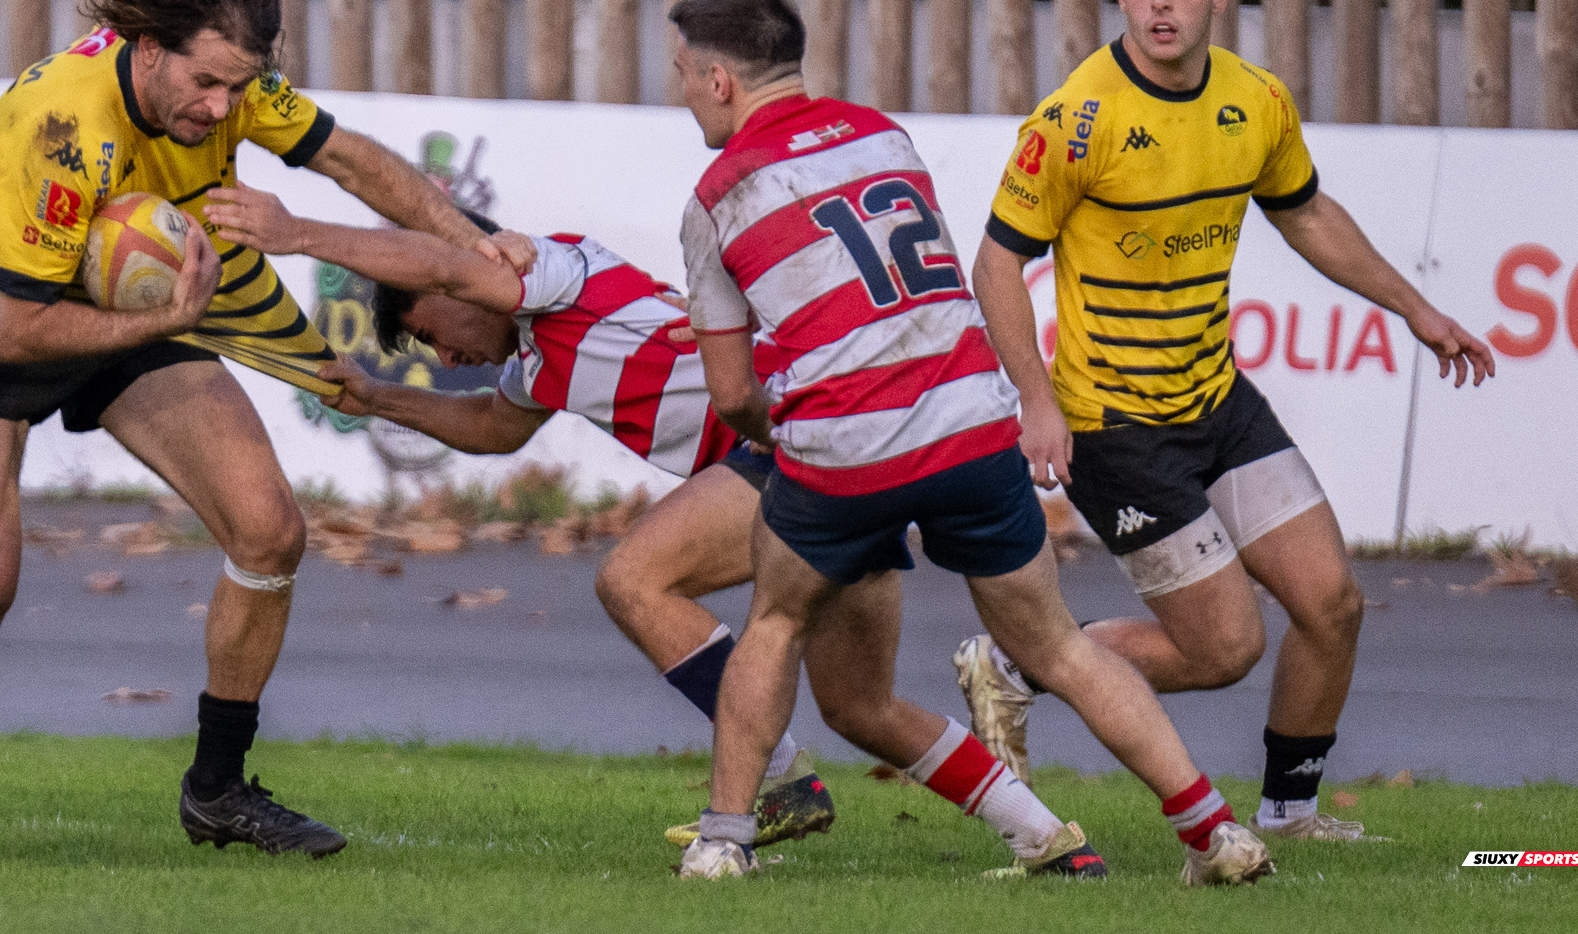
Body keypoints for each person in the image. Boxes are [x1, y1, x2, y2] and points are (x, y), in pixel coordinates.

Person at [0, 0, 521, 857]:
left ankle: (218, 789)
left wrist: (482, 246)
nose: (219, 109)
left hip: (148, 290)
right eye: (205, 84)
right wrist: (171, 315)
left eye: (236, 89)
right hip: (0, 313)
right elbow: (23, 327)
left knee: (269, 529)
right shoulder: (61, 129)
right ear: (146, 45)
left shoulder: (234, 83)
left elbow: (356, 163)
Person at [203, 185, 1105, 875]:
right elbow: (493, 428)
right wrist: (376, 397)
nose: (436, 352)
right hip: (823, 460)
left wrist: (299, 233)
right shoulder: (532, 351)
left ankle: (780, 779)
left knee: (633, 577)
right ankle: (1047, 837)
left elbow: (457, 270)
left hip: (785, 449)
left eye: (422, 328)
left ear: (452, 276)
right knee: (863, 706)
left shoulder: (553, 268)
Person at [669, 0, 1273, 886]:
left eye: (681, 72)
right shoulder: (883, 135)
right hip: (973, 424)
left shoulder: (717, 195)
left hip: (848, 448)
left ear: (720, 81)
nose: (677, 89)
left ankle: (723, 840)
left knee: (774, 619)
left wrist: (793, 435)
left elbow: (731, 393)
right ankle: (1216, 833)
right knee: (1059, 646)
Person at [957, 0, 1496, 844]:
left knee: (1332, 602)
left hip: (1217, 399)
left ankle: (1288, 812)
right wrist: (1035, 402)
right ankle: (1021, 662)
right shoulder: (1079, 117)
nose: (1162, 1)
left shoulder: (1256, 100)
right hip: (1111, 425)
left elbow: (1307, 212)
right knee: (1225, 649)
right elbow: (996, 263)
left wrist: (1415, 307)